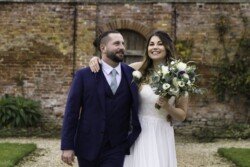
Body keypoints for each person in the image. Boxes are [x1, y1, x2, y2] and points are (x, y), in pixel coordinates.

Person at [89, 30, 188, 167]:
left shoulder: (179, 75)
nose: (154, 47)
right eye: (151, 44)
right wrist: (97, 59)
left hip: (161, 131)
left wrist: (168, 107)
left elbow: (182, 115)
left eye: (159, 44)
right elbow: (111, 68)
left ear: (167, 47)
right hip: (139, 129)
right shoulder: (137, 68)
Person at [61, 30, 141, 167]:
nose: (122, 47)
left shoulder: (132, 74)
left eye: (123, 43)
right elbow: (71, 112)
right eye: (116, 43)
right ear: (103, 48)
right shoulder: (84, 76)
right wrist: (67, 146)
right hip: (87, 145)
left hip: (117, 146)